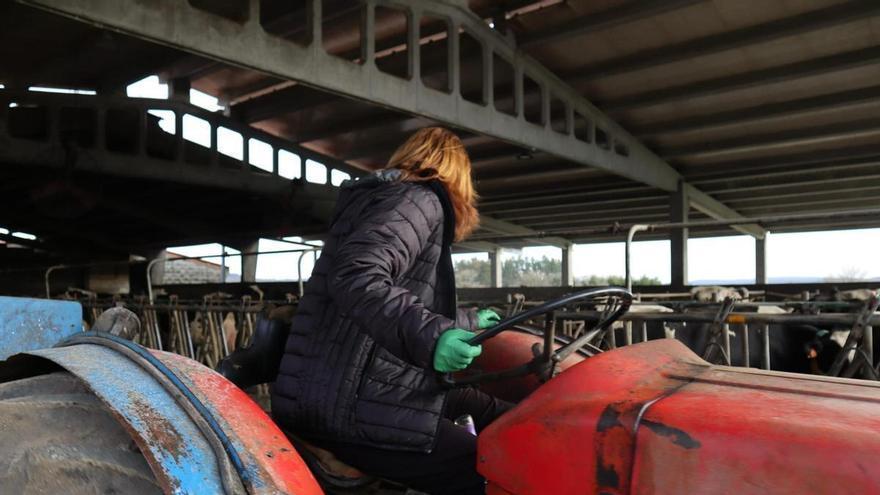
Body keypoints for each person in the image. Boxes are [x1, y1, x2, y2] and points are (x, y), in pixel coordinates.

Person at [272, 127, 511, 494]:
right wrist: (434, 340)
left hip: (355, 383)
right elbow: (357, 276)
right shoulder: (418, 199)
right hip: (347, 402)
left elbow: (405, 300)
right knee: (493, 468)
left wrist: (467, 320)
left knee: (500, 412)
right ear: (458, 173)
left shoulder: (389, 198)